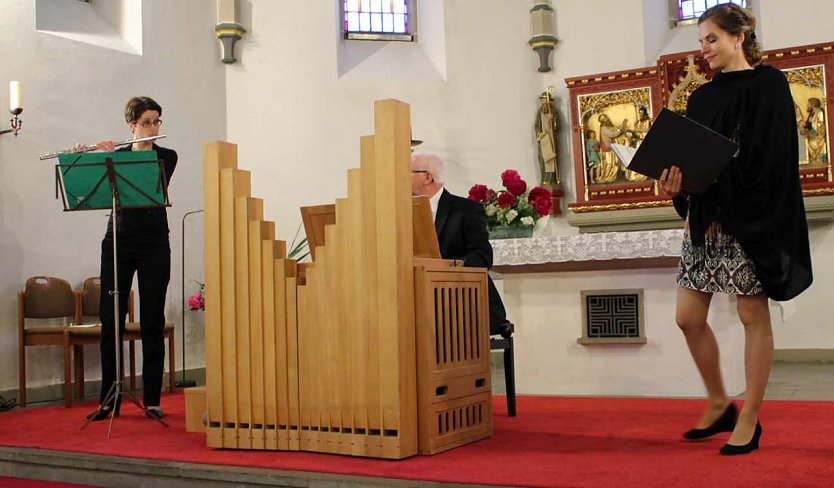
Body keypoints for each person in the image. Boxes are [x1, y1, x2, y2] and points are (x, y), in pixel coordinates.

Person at [658, 4, 812, 455]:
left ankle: (750, 417)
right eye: (701, 41)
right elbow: (691, 159)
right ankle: (720, 400)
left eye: (711, 39)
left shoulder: (770, 84)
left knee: (751, 315)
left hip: (751, 217)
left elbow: (775, 156)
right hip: (707, 220)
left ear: (738, 37)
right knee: (687, 317)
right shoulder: (702, 97)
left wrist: (724, 174)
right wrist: (676, 184)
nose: (704, 49)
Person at [86, 96, 177, 421]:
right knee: (111, 320)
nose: (153, 128)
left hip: (153, 242)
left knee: (152, 317)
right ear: (132, 126)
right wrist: (105, 156)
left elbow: (152, 185)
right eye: (146, 123)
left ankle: (152, 398)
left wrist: (129, 153)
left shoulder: (166, 156)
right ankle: (109, 400)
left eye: (156, 122)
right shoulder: (117, 157)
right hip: (118, 240)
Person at [410, 153, 511, 338]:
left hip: (462, 301)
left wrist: (449, 268)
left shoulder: (465, 209)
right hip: (420, 299)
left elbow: (482, 256)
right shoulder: (404, 211)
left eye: (409, 172)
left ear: (427, 177)